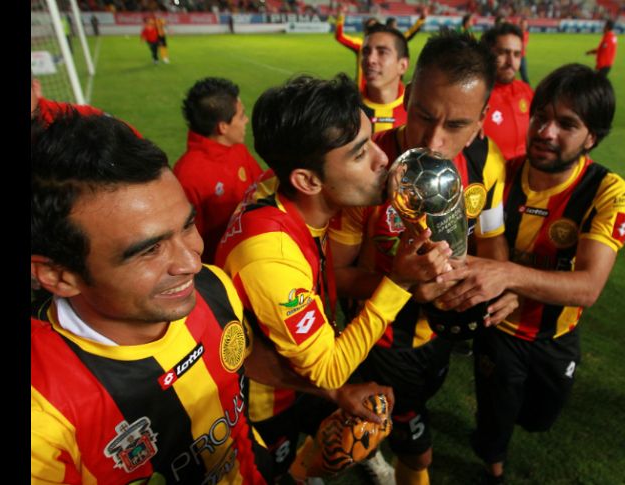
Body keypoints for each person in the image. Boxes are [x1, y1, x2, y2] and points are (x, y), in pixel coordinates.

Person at [31, 113, 392, 485]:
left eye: (187, 225)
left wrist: (334, 393)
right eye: (150, 249)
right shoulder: (43, 417)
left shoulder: (213, 289)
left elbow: (240, 356)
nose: (192, 262)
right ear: (59, 276)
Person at [214, 74, 453, 483]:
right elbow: (329, 370)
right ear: (307, 180)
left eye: (372, 141)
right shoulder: (269, 258)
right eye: (360, 154)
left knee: (357, 425)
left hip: (292, 363)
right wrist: (398, 283)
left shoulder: (284, 190)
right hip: (263, 402)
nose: (382, 159)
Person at [330, 31, 518, 485]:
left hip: (440, 336)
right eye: (424, 116)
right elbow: (333, 274)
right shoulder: (369, 168)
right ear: (409, 95)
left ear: (481, 120)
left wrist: (501, 283)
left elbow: (491, 239)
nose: (434, 140)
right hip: (381, 341)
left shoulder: (487, 162)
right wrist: (403, 287)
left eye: (456, 125)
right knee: (417, 454)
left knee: (379, 432)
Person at [434, 63, 625, 484]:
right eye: (540, 117)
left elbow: (588, 287)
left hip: (556, 334)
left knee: (540, 418)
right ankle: (493, 467)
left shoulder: (607, 192)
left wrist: (512, 278)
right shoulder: (500, 176)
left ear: (592, 137)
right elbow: (477, 251)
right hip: (499, 330)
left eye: (566, 124)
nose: (545, 131)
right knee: (496, 413)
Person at [173, 77, 263, 264]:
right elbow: (188, 246)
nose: (246, 120)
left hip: (253, 253)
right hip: (221, 270)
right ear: (223, 127)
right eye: (241, 116)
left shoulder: (236, 148)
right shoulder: (188, 176)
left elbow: (261, 189)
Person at [335, 6, 426, 91]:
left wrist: (421, 20)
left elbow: (408, 34)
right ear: (365, 30)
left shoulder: (388, 42)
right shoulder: (360, 45)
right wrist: (341, 16)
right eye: (370, 28)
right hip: (363, 94)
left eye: (382, 52)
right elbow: (340, 36)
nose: (371, 60)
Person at [482, 22, 534, 162]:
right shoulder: (474, 96)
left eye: (517, 54)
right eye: (503, 53)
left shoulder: (526, 91)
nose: (511, 61)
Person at [360, 24, 410, 133]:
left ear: (402, 65)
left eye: (382, 52)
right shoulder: (347, 109)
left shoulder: (417, 111)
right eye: (366, 52)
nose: (370, 60)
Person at [518, 17, 530, 85]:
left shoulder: (526, 33)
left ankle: (528, 89)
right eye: (523, 24)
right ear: (520, 25)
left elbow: (524, 45)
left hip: (522, 57)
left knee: (524, 76)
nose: (525, 26)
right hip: (515, 56)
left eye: (526, 24)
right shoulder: (516, 33)